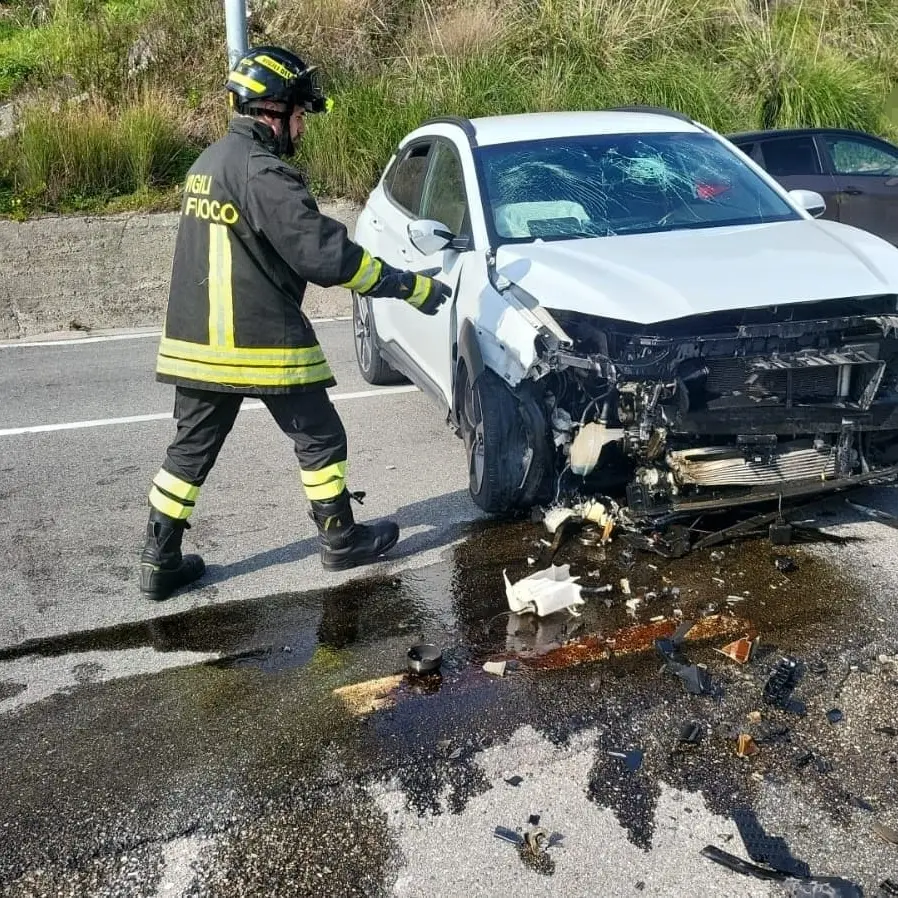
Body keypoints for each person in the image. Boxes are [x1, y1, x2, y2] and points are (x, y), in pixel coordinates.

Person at [138, 45, 450, 601]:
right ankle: (340, 539)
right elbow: (323, 256)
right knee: (320, 436)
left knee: (188, 452)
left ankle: (158, 560)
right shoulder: (264, 173)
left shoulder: (206, 165)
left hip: (195, 342)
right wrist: (410, 285)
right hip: (259, 339)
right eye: (300, 115)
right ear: (272, 110)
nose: (302, 128)